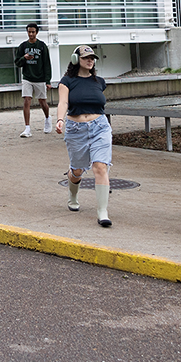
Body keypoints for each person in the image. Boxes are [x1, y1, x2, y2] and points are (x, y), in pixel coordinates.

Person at [54, 45, 113, 227]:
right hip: (76, 129)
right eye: (86, 57)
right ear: (75, 59)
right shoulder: (67, 81)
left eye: (92, 58)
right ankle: (73, 195)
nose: (90, 60)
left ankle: (102, 212)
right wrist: (60, 119)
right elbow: (63, 102)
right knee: (77, 170)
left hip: (100, 127)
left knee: (100, 167)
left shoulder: (99, 82)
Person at [14, 23, 53, 136]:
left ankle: (47, 118)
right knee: (27, 100)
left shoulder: (42, 46)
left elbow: (47, 64)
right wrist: (24, 58)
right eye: (29, 32)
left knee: (42, 102)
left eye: (33, 32)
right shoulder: (22, 46)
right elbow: (17, 62)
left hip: (40, 78)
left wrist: (48, 81)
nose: (31, 34)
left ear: (36, 32)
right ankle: (27, 128)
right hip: (27, 77)